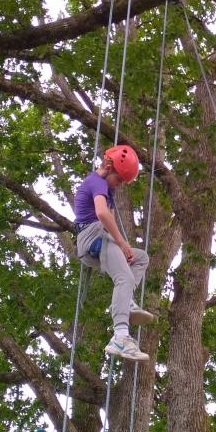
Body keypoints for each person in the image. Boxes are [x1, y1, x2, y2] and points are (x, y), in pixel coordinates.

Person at [72, 144, 156, 362]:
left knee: (140, 258)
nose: (119, 184)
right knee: (124, 277)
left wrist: (123, 247)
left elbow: (109, 216)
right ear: (109, 168)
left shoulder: (108, 188)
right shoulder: (96, 182)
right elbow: (102, 214)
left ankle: (125, 301)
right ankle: (120, 337)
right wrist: (122, 243)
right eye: (118, 179)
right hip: (92, 238)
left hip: (102, 237)